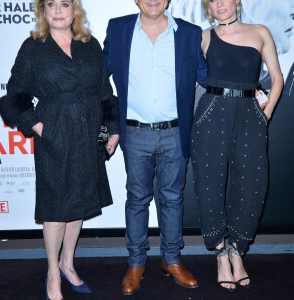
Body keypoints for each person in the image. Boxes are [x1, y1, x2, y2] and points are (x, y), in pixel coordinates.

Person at [0, 0, 119, 299]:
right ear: (43, 11)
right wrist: (37, 126)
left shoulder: (89, 45)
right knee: (55, 207)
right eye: (50, 4)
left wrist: (113, 128)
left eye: (64, 3)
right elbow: (13, 95)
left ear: (74, 10)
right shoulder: (33, 47)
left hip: (89, 131)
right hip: (55, 132)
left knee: (77, 202)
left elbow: (105, 90)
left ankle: (68, 263)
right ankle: (53, 271)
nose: (57, 10)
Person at [103, 0, 206, 295]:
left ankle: (171, 260)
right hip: (134, 133)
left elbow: (206, 75)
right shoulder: (119, 28)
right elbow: (98, 75)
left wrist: (248, 89)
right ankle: (136, 263)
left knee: (172, 199)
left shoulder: (189, 32)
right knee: (137, 199)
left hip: (175, 133)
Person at [191, 0, 283, 291]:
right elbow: (190, 79)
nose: (219, 4)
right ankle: (220, 254)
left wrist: (263, 116)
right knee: (209, 185)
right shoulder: (203, 37)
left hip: (249, 114)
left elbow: (277, 79)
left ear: (237, 2)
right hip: (211, 112)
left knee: (251, 184)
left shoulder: (260, 32)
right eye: (212, 0)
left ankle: (237, 251)